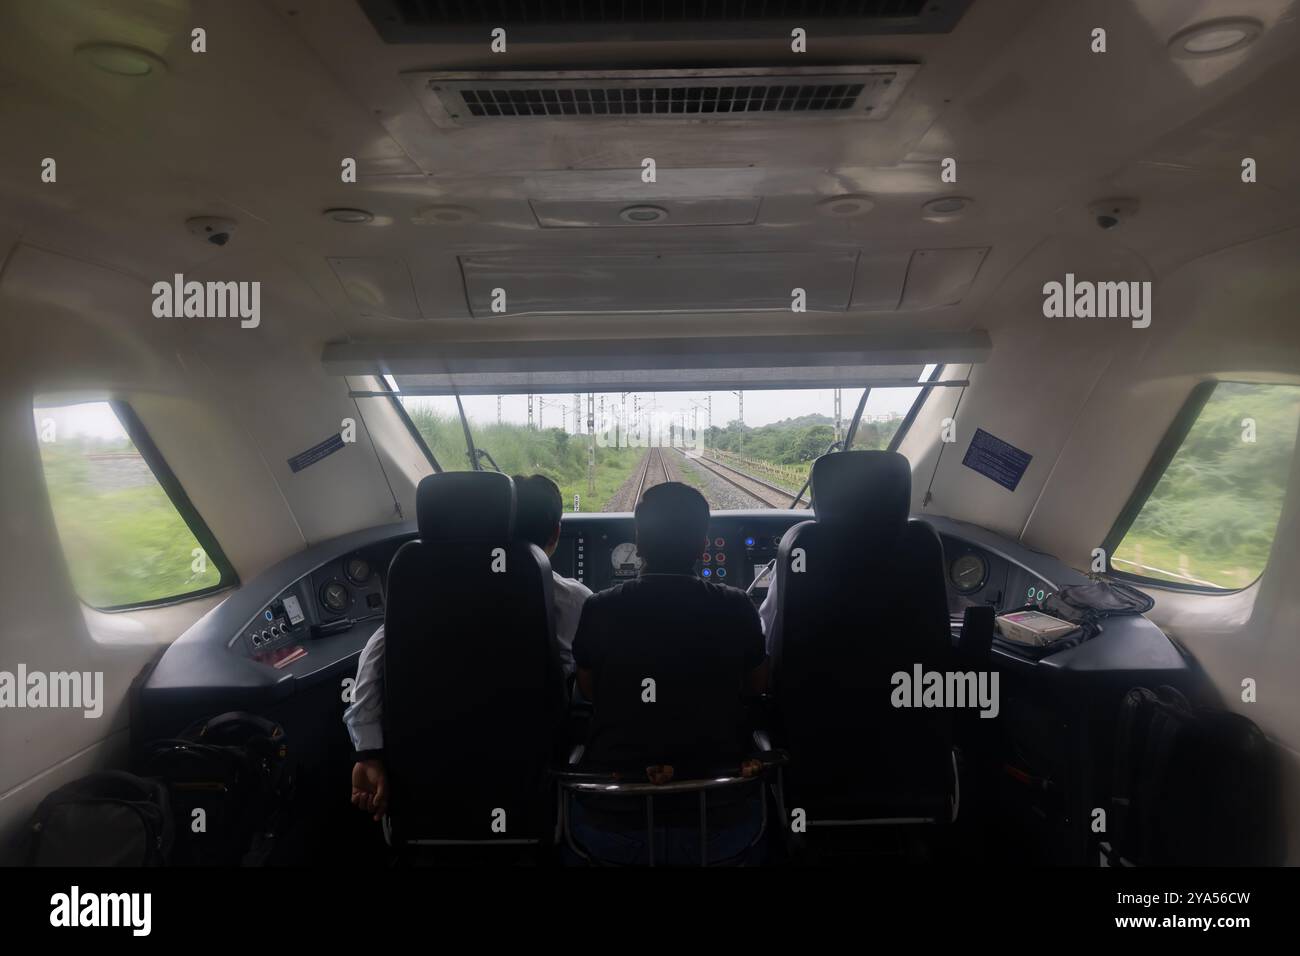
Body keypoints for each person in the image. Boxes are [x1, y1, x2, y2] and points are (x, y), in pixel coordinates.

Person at [346, 473, 591, 820]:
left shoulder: (420, 600)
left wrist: (367, 753)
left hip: (431, 786)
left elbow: (372, 662)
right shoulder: (574, 602)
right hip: (529, 779)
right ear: (555, 534)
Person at [570, 481, 768, 864]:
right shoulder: (738, 606)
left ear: (640, 542)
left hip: (614, 816)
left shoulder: (599, 608)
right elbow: (757, 685)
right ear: (701, 545)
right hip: (721, 814)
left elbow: (589, 689)